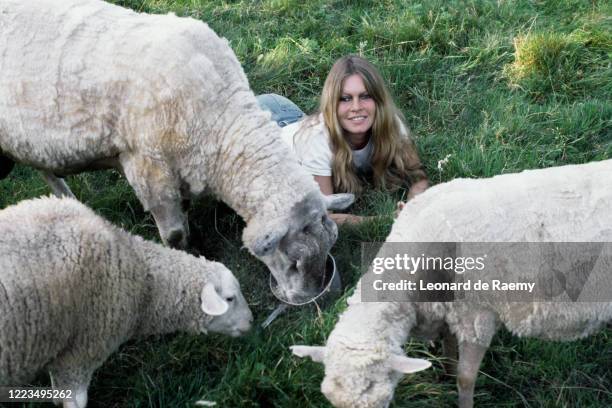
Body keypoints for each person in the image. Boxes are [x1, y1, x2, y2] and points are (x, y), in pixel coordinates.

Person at [257, 55, 428, 224]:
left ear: (378, 100)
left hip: (290, 114)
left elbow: (418, 178)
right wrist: (384, 220)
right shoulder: (317, 140)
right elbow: (323, 218)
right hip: (264, 139)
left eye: (365, 96)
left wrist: (412, 209)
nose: (356, 107)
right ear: (332, 103)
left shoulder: (391, 126)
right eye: (345, 99)